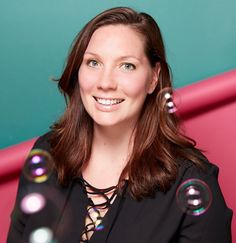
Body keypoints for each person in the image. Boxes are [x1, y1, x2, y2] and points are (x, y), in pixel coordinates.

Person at [7, 6, 232, 243]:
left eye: (127, 66)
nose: (105, 82)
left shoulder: (192, 179)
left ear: (153, 78)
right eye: (93, 62)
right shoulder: (49, 153)